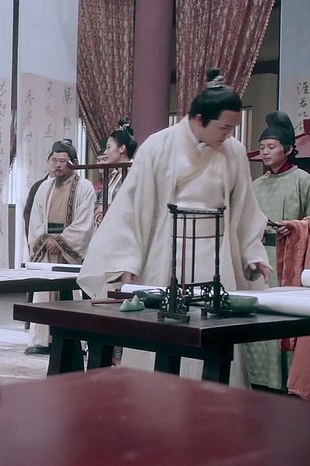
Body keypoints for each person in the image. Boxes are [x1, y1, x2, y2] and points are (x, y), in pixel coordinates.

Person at [77, 68, 270, 385]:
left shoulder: (233, 151)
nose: (228, 134)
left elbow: (245, 206)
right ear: (199, 119)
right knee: (161, 337)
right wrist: (128, 260)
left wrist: (252, 251)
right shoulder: (159, 146)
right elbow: (132, 207)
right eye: (224, 127)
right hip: (167, 253)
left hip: (217, 255)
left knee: (214, 338)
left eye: (232, 128)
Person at [244, 111, 310, 391]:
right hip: (259, 258)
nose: (265, 152)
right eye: (262, 147)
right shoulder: (256, 185)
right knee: (258, 316)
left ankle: (288, 383)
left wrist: (295, 227)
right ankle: (259, 381)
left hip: (289, 261)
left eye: (271, 147)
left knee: (284, 318)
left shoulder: (303, 180)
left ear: (289, 149)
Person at [25, 139, 96, 354]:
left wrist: (62, 242)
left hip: (69, 250)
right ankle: (42, 341)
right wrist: (46, 241)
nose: (58, 165)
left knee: (70, 294)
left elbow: (85, 222)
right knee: (45, 294)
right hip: (47, 248)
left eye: (63, 161)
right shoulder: (44, 186)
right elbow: (35, 219)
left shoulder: (84, 187)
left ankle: (75, 343)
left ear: (73, 162)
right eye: (54, 160)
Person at [93, 117, 138, 228]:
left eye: (108, 147)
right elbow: (100, 201)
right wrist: (99, 213)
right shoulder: (113, 175)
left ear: (121, 148)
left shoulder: (136, 174)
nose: (105, 152)